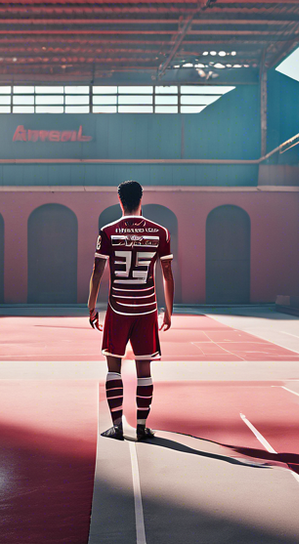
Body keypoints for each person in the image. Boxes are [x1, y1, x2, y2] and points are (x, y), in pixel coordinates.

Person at [89, 180, 173, 441]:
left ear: (119, 198)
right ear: (142, 198)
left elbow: (97, 271)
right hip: (147, 308)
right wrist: (169, 311)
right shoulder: (161, 232)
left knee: (113, 367)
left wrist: (91, 307)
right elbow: (167, 273)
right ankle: (141, 426)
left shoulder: (108, 231)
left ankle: (116, 426)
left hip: (118, 307)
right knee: (144, 369)